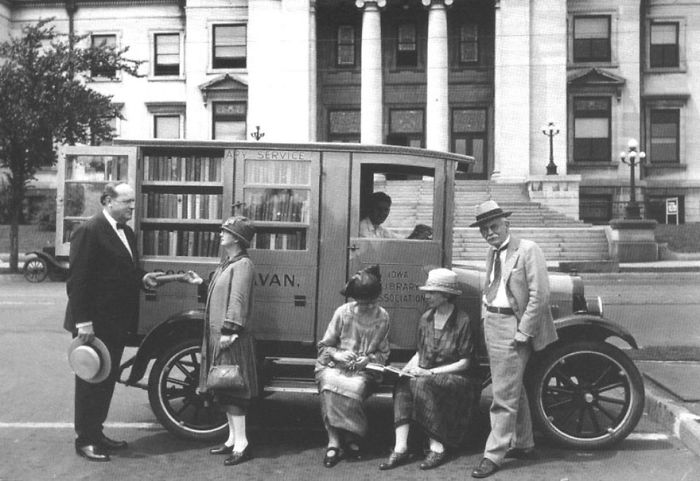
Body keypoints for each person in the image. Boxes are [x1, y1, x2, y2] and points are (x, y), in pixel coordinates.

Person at [64, 182, 196, 462]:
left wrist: (141, 278)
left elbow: (124, 271)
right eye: (126, 202)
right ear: (108, 201)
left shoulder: (126, 232)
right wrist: (83, 322)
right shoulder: (89, 230)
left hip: (115, 322)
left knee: (105, 379)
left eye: (132, 202)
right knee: (90, 381)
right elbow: (78, 281)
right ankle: (85, 440)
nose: (132, 207)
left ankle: (96, 433)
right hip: (94, 324)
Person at [469, 200, 558, 478]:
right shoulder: (493, 253)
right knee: (511, 388)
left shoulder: (528, 250)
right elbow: (491, 288)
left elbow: (540, 296)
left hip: (513, 327)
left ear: (507, 224)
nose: (489, 233)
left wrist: (523, 331)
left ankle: (493, 455)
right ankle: (524, 442)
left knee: (502, 396)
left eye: (493, 226)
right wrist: (486, 318)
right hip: (493, 323)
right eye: (484, 229)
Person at [379, 268, 480, 471]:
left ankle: (437, 446)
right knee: (404, 382)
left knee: (421, 382)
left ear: (446, 295)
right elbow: (420, 352)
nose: (427, 296)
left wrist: (431, 372)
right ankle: (400, 448)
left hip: (456, 378)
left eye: (432, 292)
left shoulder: (462, 320)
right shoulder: (426, 317)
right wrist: (407, 369)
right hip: (427, 375)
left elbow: (465, 363)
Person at [193, 216, 259, 467]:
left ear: (237, 239)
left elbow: (238, 300)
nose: (221, 234)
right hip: (219, 336)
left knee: (233, 390)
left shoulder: (243, 265)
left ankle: (242, 444)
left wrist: (230, 331)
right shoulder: (229, 263)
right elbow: (221, 290)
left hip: (230, 338)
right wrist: (201, 283)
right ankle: (232, 439)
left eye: (226, 232)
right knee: (223, 387)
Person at [315, 265, 391, 468]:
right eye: (361, 302)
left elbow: (383, 353)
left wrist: (368, 359)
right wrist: (339, 355)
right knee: (329, 381)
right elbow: (324, 346)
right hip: (336, 364)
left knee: (355, 387)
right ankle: (334, 441)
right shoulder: (342, 312)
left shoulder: (382, 316)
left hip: (365, 368)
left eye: (370, 303)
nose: (365, 306)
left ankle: (350, 435)